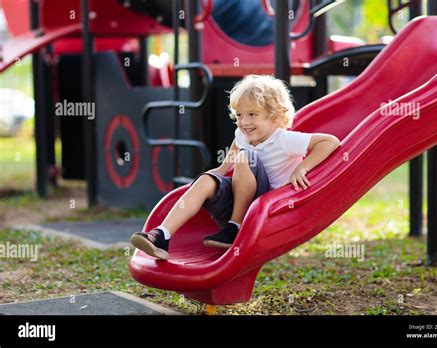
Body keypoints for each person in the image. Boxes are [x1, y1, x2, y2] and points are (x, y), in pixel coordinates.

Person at [130, 75, 341, 260]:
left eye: (252, 114)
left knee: (246, 157)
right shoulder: (242, 135)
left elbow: (330, 142)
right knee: (206, 179)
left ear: (274, 115)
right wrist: (219, 172)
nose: (243, 122)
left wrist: (302, 168)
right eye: (239, 115)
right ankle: (162, 236)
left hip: (266, 209)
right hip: (240, 201)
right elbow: (232, 154)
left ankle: (235, 227)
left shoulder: (285, 139)